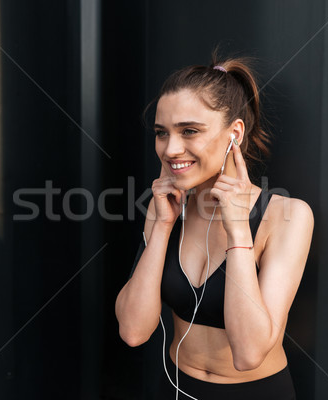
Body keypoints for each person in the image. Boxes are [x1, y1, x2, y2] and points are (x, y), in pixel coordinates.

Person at [115, 48, 314, 400]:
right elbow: (133, 331)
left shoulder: (288, 216)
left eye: (189, 130)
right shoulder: (166, 210)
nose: (171, 149)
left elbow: (250, 353)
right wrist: (161, 227)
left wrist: (239, 231)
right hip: (176, 387)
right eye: (162, 133)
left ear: (233, 134)